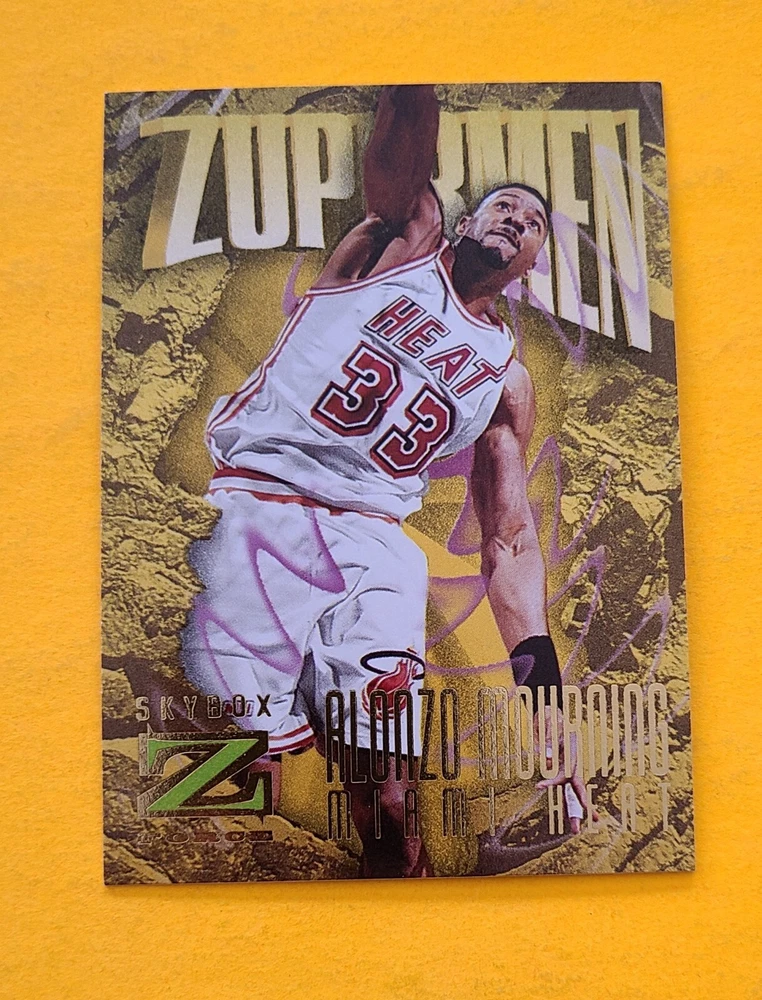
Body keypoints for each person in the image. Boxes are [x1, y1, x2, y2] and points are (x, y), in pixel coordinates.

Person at [182, 84, 584, 877]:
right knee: (237, 765)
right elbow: (401, 149)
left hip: (374, 545)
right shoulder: (401, 244)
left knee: (391, 798)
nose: (515, 218)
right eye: (502, 205)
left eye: (533, 221)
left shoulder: (506, 380)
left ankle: (405, 898)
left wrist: (544, 704)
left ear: (533, 264)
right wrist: (413, 64)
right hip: (263, 502)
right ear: (462, 222)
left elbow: (509, 545)